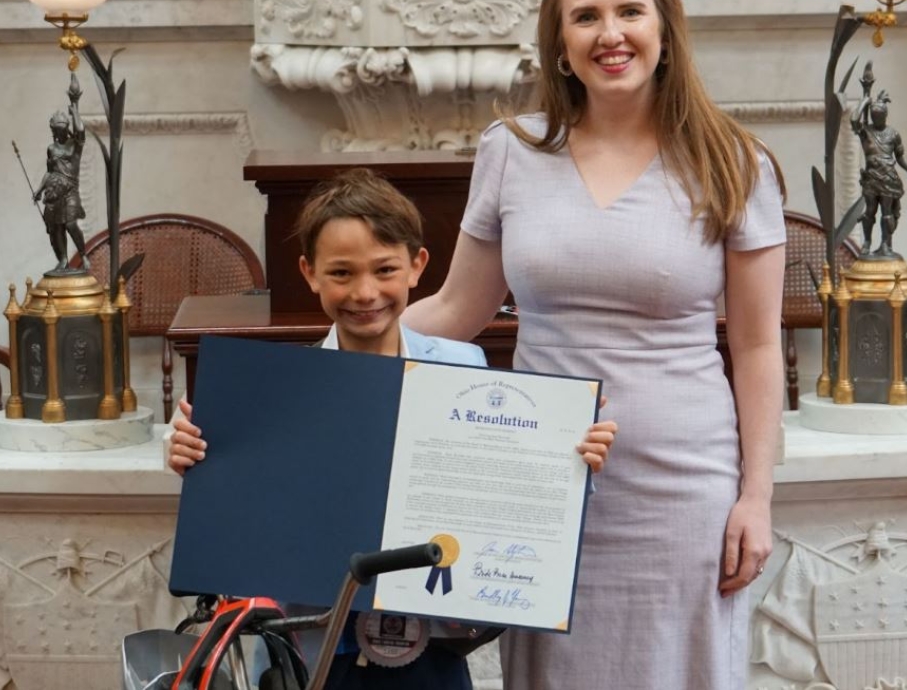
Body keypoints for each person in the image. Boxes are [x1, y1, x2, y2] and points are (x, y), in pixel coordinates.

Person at [400, 0, 787, 690]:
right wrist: (321, 358)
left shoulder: (735, 162)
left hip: (682, 487)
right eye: (585, 18)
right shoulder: (510, 151)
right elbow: (454, 309)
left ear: (665, 31)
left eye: (629, 12)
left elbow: (756, 346)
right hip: (546, 483)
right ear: (559, 44)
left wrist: (757, 496)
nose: (610, 35)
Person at [167, 168, 618, 690]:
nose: (365, 293)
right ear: (309, 273)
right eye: (341, 274)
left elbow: (506, 485)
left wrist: (571, 457)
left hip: (436, 645)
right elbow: (242, 511)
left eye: (384, 269)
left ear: (417, 266)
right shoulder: (278, 394)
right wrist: (193, 455)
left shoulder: (463, 369)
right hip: (314, 651)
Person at [850, 87, 907, 257]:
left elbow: (900, 157)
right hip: (871, 178)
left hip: (888, 178)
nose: (876, 119)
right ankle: (867, 242)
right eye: (874, 116)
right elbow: (854, 119)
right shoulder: (865, 131)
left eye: (879, 117)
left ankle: (886, 244)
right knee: (870, 211)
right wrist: (865, 100)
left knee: (887, 213)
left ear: (885, 116)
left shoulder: (893, 134)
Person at [33, 74, 88, 272]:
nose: (61, 133)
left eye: (63, 129)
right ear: (54, 131)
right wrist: (39, 190)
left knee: (71, 224)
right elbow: (50, 173)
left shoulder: (75, 146)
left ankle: (83, 254)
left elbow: (80, 131)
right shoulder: (51, 149)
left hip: (70, 190)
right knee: (57, 229)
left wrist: (75, 109)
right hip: (53, 193)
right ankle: (63, 259)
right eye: (58, 130)